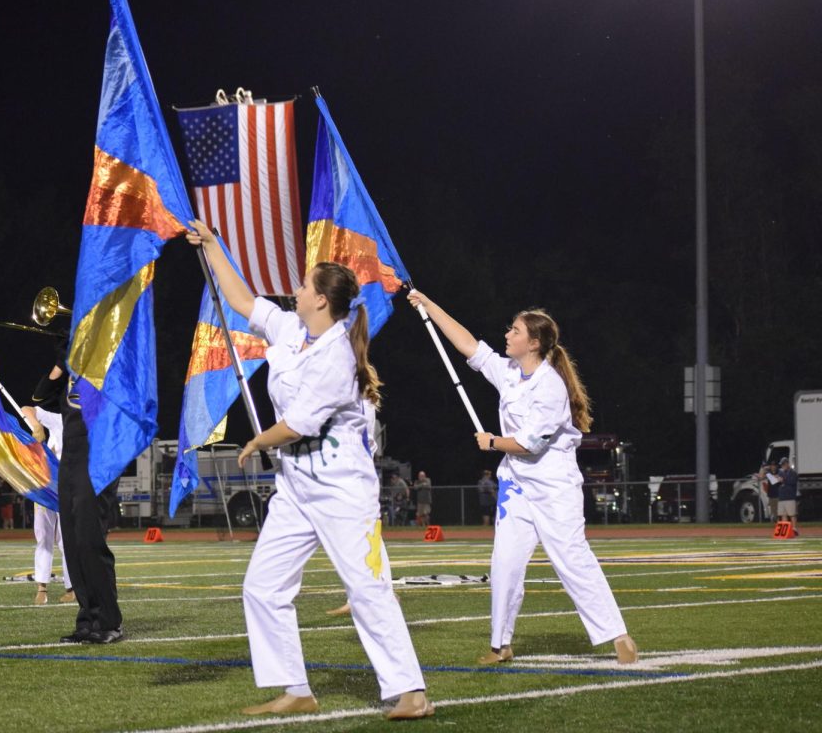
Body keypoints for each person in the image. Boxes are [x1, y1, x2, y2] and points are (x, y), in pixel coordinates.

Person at [190, 221, 433, 720]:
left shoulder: (338, 355)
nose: (295, 291)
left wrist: (257, 440)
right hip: (296, 489)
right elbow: (242, 302)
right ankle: (296, 688)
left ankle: (411, 692)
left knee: (367, 589)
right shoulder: (290, 329)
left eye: (304, 286)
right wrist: (213, 247)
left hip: (342, 492)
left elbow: (298, 424)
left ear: (322, 300)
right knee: (262, 585)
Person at [408, 291, 637, 666]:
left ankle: (618, 636)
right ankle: (501, 644)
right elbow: (469, 345)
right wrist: (428, 306)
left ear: (533, 343)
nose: (507, 334)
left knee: (572, 559)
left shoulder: (550, 387)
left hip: (554, 488)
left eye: (514, 331)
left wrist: (492, 442)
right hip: (516, 487)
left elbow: (529, 446)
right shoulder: (509, 372)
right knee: (504, 564)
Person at [32, 340, 123, 645]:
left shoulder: (106, 368)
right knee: (72, 542)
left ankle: (109, 621)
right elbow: (40, 397)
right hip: (69, 459)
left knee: (90, 540)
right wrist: (60, 363)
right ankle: (87, 619)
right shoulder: (69, 373)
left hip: (97, 459)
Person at [20, 404, 75, 606]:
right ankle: (41, 588)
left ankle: (72, 588)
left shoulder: (92, 426)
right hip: (47, 485)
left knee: (67, 540)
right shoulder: (61, 420)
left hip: (70, 488)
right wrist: (36, 425)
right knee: (44, 537)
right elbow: (27, 409)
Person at [778, 458, 799, 536]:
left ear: (787, 463)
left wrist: (783, 479)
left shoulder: (793, 473)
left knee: (792, 514)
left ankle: (794, 529)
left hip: (790, 497)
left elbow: (792, 482)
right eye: (782, 465)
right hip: (782, 497)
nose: (782, 466)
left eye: (783, 464)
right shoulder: (780, 473)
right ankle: (785, 530)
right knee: (783, 515)